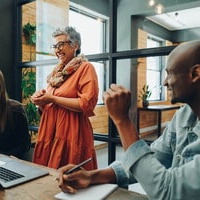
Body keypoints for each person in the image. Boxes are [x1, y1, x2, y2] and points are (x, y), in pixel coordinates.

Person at [58, 40, 200, 199]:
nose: (165, 82)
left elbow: (168, 191)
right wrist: (92, 176)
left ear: (195, 74)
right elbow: (153, 159)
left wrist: (122, 120)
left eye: (171, 73)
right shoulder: (184, 115)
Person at [31, 26, 99, 170]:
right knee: (46, 181)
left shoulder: (85, 68)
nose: (57, 50)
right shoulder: (57, 73)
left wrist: (53, 99)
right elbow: (49, 106)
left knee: (71, 178)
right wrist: (41, 102)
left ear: (75, 45)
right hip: (50, 131)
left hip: (72, 133)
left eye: (61, 44)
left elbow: (86, 104)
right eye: (55, 46)